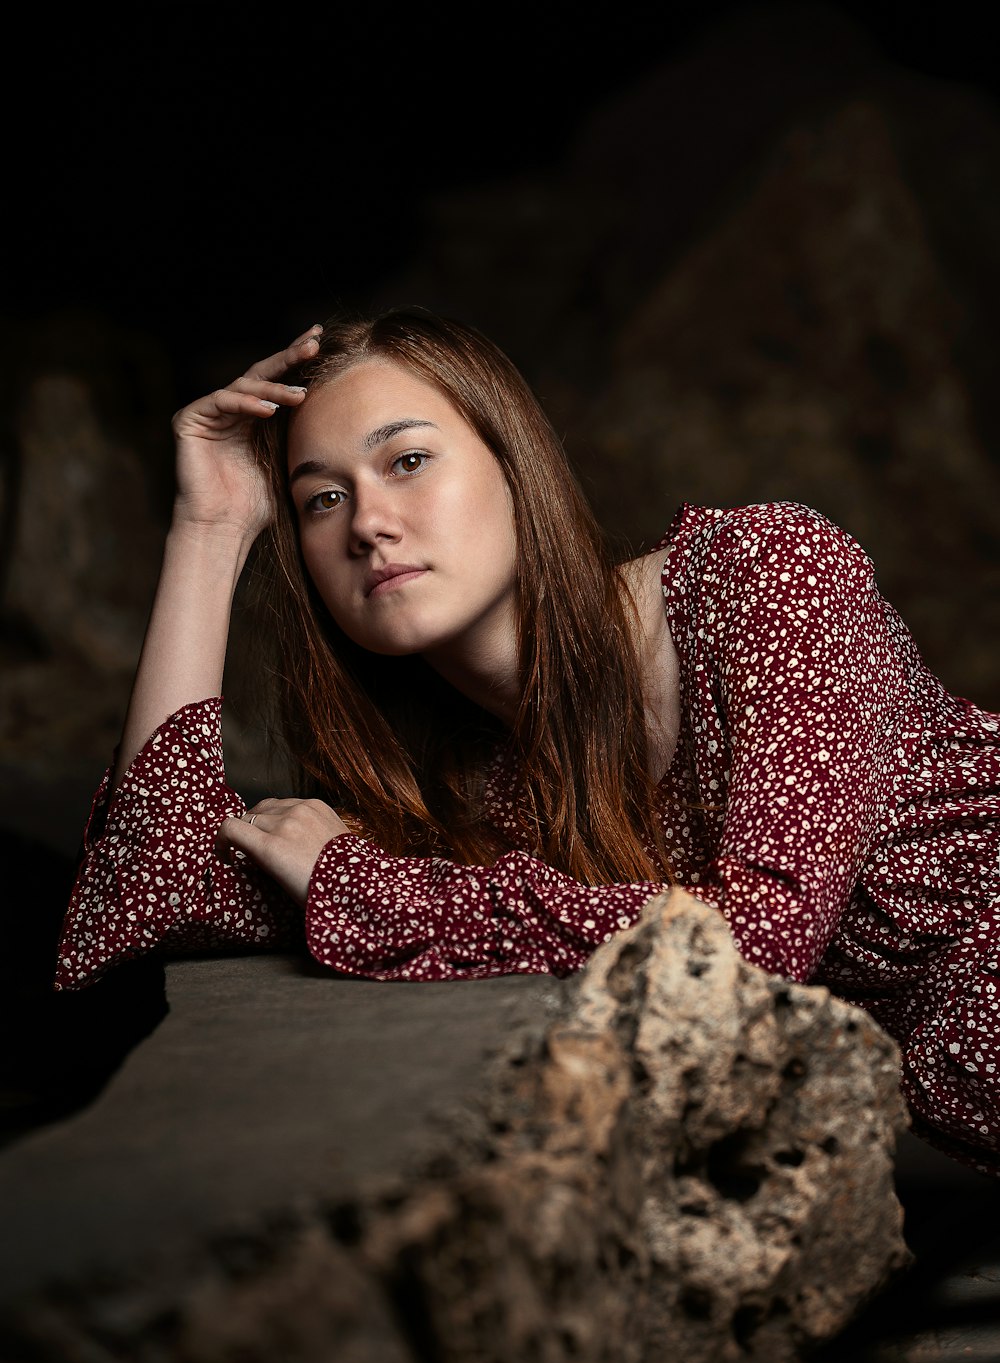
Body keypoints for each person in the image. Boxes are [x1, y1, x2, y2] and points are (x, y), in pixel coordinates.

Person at [55, 308, 1000, 1174]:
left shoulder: (764, 575)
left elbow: (755, 942)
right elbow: (159, 883)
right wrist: (211, 526)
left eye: (409, 461)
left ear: (514, 462)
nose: (372, 524)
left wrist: (361, 888)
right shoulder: (457, 789)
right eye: (321, 501)